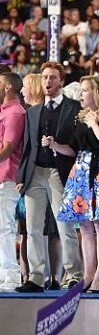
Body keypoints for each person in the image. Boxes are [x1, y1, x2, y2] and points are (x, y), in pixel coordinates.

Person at [15, 62, 84, 293]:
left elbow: (78, 147)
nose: (48, 81)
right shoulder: (32, 112)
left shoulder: (74, 108)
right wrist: (22, 176)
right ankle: (36, 277)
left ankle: (73, 275)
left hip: (59, 172)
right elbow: (27, 147)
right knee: (33, 228)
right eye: (45, 77)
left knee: (65, 227)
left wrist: (57, 146)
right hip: (35, 173)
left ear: (61, 81)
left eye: (53, 77)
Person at [55, 75, 99, 294]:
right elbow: (74, 148)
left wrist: (94, 123)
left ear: (96, 93)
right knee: (84, 225)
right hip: (82, 168)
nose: (81, 95)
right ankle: (87, 273)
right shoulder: (80, 117)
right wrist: (55, 146)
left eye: (85, 90)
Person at [0, 73, 26, 291]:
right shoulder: (5, 111)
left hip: (7, 177)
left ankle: (10, 276)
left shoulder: (15, 113)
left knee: (5, 228)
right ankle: (4, 274)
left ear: (8, 87)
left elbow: (8, 147)